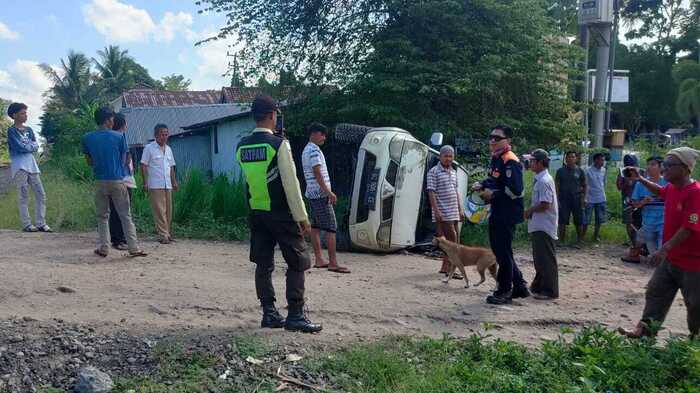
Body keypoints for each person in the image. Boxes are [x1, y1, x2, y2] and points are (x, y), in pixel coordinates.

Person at [236, 95, 322, 333]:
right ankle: (295, 315)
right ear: (273, 115)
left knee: (263, 264)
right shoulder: (278, 144)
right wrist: (302, 218)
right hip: (282, 213)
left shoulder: (241, 146)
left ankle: (269, 313)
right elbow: (291, 185)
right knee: (298, 261)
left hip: (257, 212)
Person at [619, 147, 700, 339]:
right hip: (672, 259)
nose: (664, 169)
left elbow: (689, 227)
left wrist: (663, 249)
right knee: (655, 293)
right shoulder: (672, 188)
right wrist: (640, 179)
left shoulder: (695, 193)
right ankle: (645, 333)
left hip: (693, 263)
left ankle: (695, 343)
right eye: (664, 164)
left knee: (695, 304)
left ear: (686, 168)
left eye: (669, 165)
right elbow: (662, 192)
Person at [474, 124, 529, 305]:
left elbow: (516, 189)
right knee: (503, 251)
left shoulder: (510, 160)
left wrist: (493, 194)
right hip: (498, 210)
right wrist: (482, 184)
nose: (492, 141)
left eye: (497, 138)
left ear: (508, 141)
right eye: (491, 137)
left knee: (502, 253)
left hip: (507, 213)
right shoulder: (497, 158)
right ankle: (519, 285)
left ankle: (504, 291)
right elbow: (494, 179)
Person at [82, 107, 146, 258]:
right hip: (117, 180)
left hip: (99, 180)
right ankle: (133, 248)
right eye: (111, 119)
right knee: (125, 215)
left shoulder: (87, 138)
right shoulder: (119, 137)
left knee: (102, 216)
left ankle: (104, 247)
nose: (113, 121)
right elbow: (126, 160)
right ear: (107, 120)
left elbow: (89, 161)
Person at [301, 122, 350, 273]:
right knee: (331, 227)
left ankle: (319, 259)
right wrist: (329, 192)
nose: (324, 137)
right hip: (321, 194)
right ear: (314, 133)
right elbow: (317, 173)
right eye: (322, 134)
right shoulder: (314, 151)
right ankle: (333, 262)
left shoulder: (306, 150)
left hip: (312, 193)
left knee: (315, 227)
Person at [6, 102, 51, 233]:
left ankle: (41, 223)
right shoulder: (11, 131)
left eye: (25, 113)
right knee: (23, 195)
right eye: (22, 113)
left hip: (32, 165)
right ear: (14, 115)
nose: (25, 115)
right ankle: (27, 224)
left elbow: (35, 145)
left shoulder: (29, 130)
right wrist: (29, 147)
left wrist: (29, 147)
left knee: (41, 194)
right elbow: (18, 147)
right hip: (19, 166)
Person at [524, 149, 559, 300]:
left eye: (532, 161)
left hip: (544, 225)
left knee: (545, 259)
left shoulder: (544, 181)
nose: (530, 163)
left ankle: (549, 290)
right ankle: (538, 286)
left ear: (539, 163)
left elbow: (545, 204)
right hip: (539, 224)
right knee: (539, 258)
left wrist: (529, 211)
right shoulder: (541, 178)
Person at [427, 145, 465, 278]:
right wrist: (436, 211)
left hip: (454, 211)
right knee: (452, 241)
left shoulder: (454, 172)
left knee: (452, 241)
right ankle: (452, 269)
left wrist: (460, 209)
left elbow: (455, 192)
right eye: (446, 156)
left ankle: (445, 267)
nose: (448, 158)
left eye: (451, 156)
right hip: (443, 212)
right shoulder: (433, 171)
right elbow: (431, 192)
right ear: (440, 156)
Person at [622, 156, 666, 264]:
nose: (649, 167)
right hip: (648, 223)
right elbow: (635, 205)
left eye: (653, 164)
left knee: (662, 254)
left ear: (661, 167)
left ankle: (636, 252)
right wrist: (643, 202)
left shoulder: (668, 183)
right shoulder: (639, 184)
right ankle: (636, 253)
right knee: (654, 255)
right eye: (648, 164)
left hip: (664, 223)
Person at [140, 124, 179, 244]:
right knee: (159, 210)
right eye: (162, 134)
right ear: (156, 135)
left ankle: (167, 233)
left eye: (166, 134)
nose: (164, 136)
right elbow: (144, 165)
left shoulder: (169, 149)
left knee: (168, 210)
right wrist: (145, 182)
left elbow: (171, 167)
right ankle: (163, 235)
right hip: (155, 184)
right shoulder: (149, 148)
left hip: (167, 184)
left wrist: (174, 181)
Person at [108, 113, 137, 250]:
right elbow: (125, 160)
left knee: (117, 209)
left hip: (117, 177)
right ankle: (118, 239)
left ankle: (119, 237)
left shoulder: (116, 137)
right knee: (120, 210)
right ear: (122, 124)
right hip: (122, 178)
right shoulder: (119, 138)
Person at [555, 151, 585, 247]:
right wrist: (557, 199)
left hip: (577, 198)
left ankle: (579, 241)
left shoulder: (580, 171)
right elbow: (557, 185)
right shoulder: (560, 171)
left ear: (576, 158)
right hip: (564, 199)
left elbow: (585, 185)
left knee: (578, 220)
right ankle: (561, 241)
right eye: (569, 157)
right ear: (565, 159)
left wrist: (584, 198)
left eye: (573, 157)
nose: (571, 159)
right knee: (562, 220)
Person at [618, 154, 645, 260]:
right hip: (628, 201)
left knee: (640, 224)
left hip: (640, 202)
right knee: (629, 223)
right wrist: (627, 183)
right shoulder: (622, 172)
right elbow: (619, 186)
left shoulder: (641, 171)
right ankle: (634, 245)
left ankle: (640, 246)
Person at [583, 152, 607, 242]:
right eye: (601, 160)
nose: (603, 162)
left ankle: (595, 236)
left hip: (601, 198)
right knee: (586, 220)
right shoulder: (587, 170)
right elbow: (585, 184)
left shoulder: (604, 170)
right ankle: (582, 237)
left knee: (599, 219)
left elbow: (603, 183)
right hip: (589, 198)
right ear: (595, 160)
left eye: (603, 160)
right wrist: (584, 197)